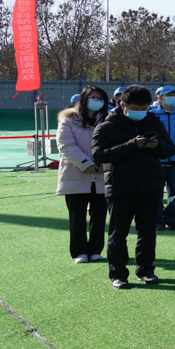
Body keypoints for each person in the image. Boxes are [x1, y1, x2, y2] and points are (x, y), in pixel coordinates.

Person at [91, 85, 175, 290]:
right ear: (123, 106)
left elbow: (170, 149)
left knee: (147, 232)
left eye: (144, 108)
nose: (140, 112)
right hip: (119, 188)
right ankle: (118, 274)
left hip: (150, 186)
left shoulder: (154, 122)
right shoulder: (106, 126)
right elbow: (99, 154)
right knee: (118, 233)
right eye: (135, 108)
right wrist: (132, 145)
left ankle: (145, 270)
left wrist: (158, 146)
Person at [56, 86, 110, 264]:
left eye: (100, 99)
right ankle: (79, 251)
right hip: (76, 174)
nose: (97, 101)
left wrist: (105, 163)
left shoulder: (109, 120)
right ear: (84, 99)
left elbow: (115, 143)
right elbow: (65, 145)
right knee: (77, 216)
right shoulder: (68, 120)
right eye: (93, 97)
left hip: (102, 175)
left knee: (99, 215)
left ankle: (95, 250)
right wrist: (86, 164)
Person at [152, 85, 175, 230]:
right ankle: (157, 220)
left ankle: (172, 219)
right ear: (159, 97)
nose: (172, 97)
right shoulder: (151, 114)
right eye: (168, 95)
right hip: (157, 160)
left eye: (174, 94)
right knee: (156, 192)